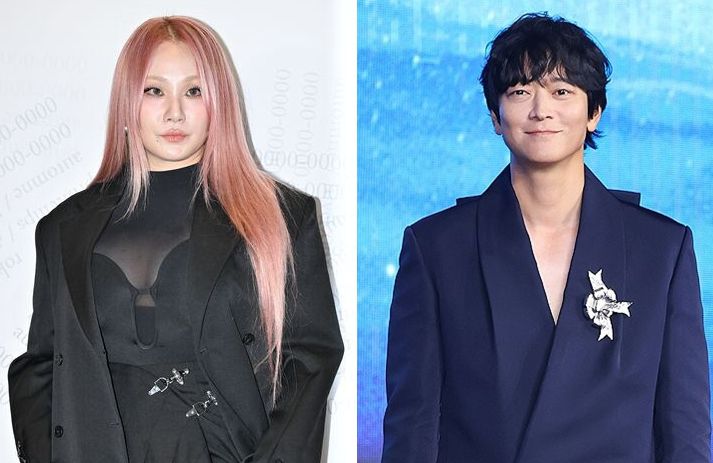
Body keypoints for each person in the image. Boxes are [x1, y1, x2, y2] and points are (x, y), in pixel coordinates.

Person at [8, 16, 343, 463]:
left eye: (194, 91)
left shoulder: (282, 216)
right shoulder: (62, 229)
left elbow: (311, 360)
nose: (174, 112)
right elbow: (41, 365)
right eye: (154, 90)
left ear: (219, 101)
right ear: (127, 99)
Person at [382, 12, 710, 463]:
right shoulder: (437, 247)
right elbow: (412, 426)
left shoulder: (661, 249)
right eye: (520, 91)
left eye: (561, 91)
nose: (541, 110)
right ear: (495, 116)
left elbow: (685, 429)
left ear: (593, 112)